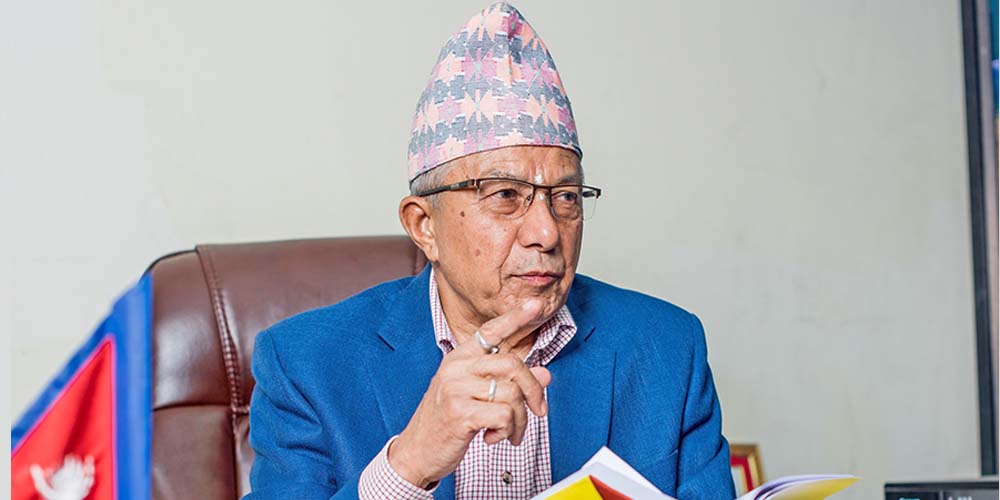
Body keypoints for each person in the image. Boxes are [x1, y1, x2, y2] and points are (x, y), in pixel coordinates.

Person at [244, 3, 736, 499]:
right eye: (505, 195)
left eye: (566, 197)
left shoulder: (666, 347)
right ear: (424, 226)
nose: (546, 232)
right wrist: (409, 463)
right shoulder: (305, 364)